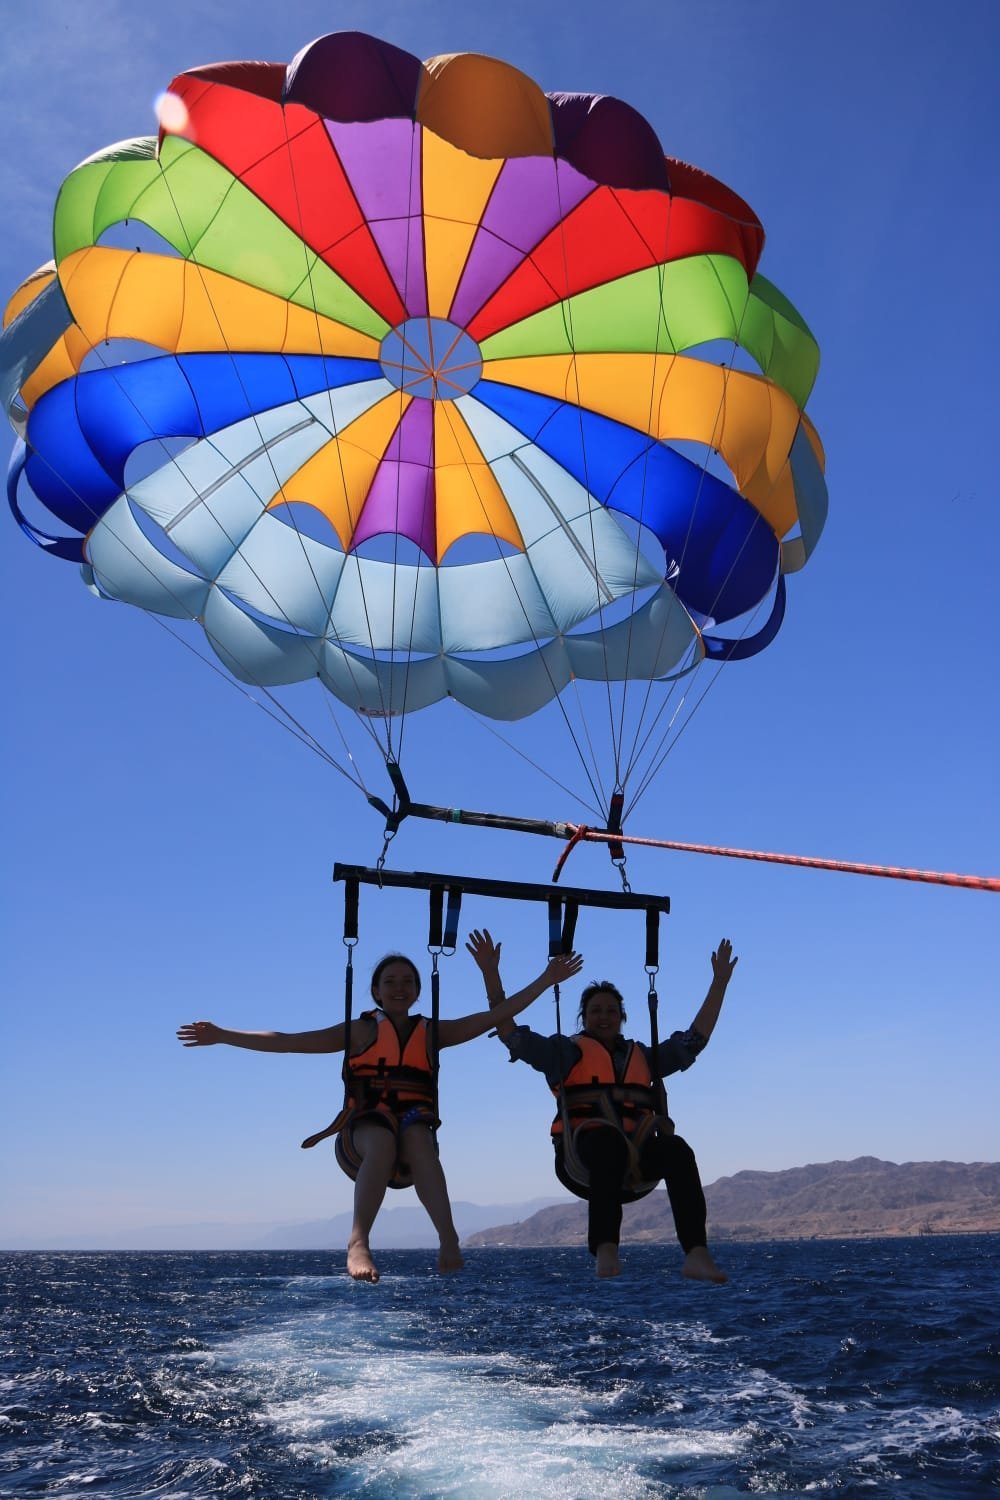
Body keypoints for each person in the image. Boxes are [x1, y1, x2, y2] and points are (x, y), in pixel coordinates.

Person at [177, 945, 582, 1284]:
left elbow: (494, 1017)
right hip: (361, 1136)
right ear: (375, 991)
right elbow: (290, 1042)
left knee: (419, 1139)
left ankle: (448, 1237)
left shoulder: (432, 1033)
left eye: (407, 982)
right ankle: (358, 1242)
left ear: (419, 990)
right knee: (386, 1137)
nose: (399, 988)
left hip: (413, 1136)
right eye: (390, 982)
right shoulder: (359, 1031)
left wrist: (547, 979)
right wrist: (224, 1036)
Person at [468, 929, 737, 1282]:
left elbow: (693, 1041)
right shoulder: (565, 1053)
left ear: (622, 1016)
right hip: (583, 1156)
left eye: (611, 1010)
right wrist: (491, 974)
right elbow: (510, 1033)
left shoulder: (643, 1055)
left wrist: (719, 983)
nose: (604, 1016)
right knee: (607, 1144)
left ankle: (696, 1252)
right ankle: (606, 1246)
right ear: (584, 1016)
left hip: (638, 1159)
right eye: (596, 1010)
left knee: (678, 1150)